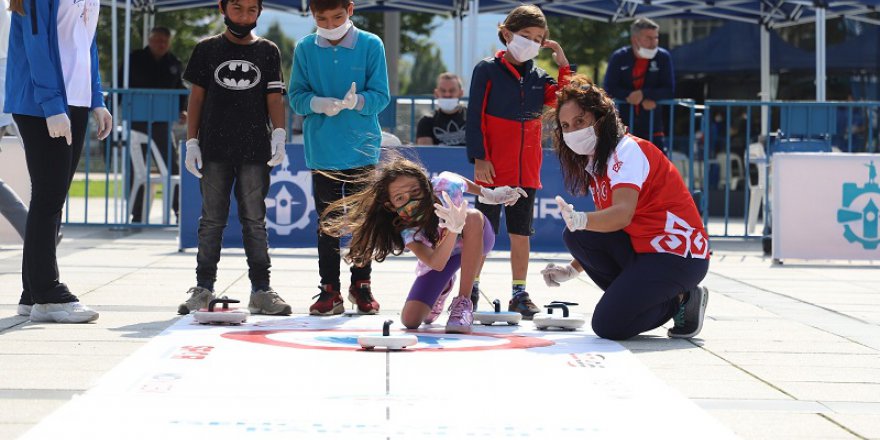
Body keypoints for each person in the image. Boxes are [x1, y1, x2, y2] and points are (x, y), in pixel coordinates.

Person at [541, 75, 710, 340]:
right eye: (565, 125)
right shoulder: (598, 161)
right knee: (576, 235)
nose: (572, 131)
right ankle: (641, 298)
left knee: (608, 325)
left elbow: (621, 215)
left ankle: (680, 298)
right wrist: (571, 270)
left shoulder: (627, 151)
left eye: (580, 121)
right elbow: (605, 230)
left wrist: (582, 219)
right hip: (645, 251)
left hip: (676, 256)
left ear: (601, 118)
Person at [320, 155, 525, 333]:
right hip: (442, 258)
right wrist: (452, 230)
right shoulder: (406, 228)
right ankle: (444, 288)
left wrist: (488, 194)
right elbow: (436, 263)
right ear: (391, 205)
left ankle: (463, 302)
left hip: (476, 239)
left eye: (415, 192)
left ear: (427, 186)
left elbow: (457, 180)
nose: (410, 200)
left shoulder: (444, 187)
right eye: (401, 198)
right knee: (411, 320)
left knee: (472, 216)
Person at [177, 0, 291, 316]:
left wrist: (279, 134)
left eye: (251, 10)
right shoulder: (206, 49)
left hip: (255, 148)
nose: (244, 16)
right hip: (214, 147)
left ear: (259, 13)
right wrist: (192, 142)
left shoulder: (268, 50)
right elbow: (196, 98)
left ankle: (261, 289)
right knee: (211, 220)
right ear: (222, 9)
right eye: (237, 9)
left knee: (254, 220)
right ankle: (203, 289)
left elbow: (274, 96)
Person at [5, 0, 113, 323]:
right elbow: (35, 43)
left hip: (76, 99)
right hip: (39, 102)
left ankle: (32, 292)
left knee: (52, 198)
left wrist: (97, 99)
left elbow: (86, 41)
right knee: (49, 196)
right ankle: (47, 292)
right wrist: (52, 105)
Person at [466, 4, 571, 318]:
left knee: (520, 233)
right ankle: (469, 288)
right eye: (526, 35)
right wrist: (479, 157)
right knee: (482, 232)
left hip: (526, 171)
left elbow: (566, 100)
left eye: (539, 38)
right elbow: (474, 117)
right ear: (507, 32)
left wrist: (564, 63)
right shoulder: (486, 69)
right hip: (492, 167)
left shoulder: (541, 76)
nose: (532, 42)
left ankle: (519, 292)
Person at [289, 0, 390, 316]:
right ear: (312, 14)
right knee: (328, 223)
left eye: (337, 16)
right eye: (322, 18)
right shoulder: (305, 47)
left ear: (350, 9)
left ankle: (362, 284)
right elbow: (296, 98)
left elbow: (382, 96)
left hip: (362, 148)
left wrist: (357, 101)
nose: (330, 24)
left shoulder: (371, 44)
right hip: (322, 151)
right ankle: (328, 289)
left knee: (363, 221)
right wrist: (318, 103)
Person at [122, 26, 188, 223]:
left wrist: (182, 110)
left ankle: (179, 212)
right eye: (157, 40)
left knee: (172, 166)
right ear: (149, 41)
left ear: (169, 43)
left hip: (162, 123)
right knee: (137, 167)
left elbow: (180, 89)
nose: (160, 44)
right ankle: (138, 213)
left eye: (164, 41)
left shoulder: (174, 63)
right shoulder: (134, 59)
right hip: (137, 120)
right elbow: (121, 82)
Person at [603, 17, 674, 152]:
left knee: (657, 169)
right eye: (648, 38)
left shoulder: (663, 57)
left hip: (653, 126)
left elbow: (669, 89)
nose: (654, 43)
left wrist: (645, 95)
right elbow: (608, 88)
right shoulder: (619, 57)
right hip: (622, 126)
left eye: (656, 38)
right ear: (635, 39)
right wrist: (628, 96)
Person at [416, 72, 466, 146]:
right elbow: (425, 154)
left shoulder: (473, 119)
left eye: (452, 90)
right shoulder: (426, 121)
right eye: (443, 90)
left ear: (461, 93)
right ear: (436, 93)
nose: (447, 94)